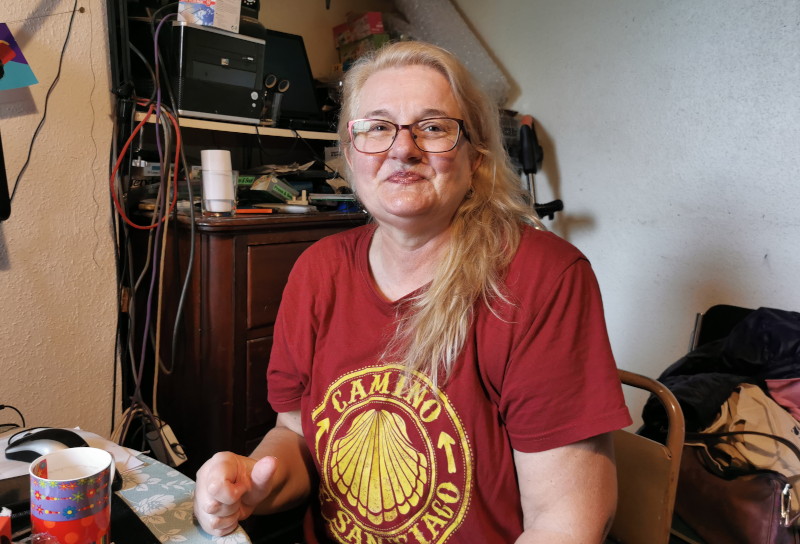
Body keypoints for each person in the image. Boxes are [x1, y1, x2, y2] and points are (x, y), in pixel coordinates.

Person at [193, 40, 632, 543]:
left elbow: (567, 525)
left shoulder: (542, 278)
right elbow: (295, 436)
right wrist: (253, 481)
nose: (402, 148)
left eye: (433, 127)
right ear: (351, 155)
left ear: (477, 157)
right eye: (377, 127)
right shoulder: (318, 271)